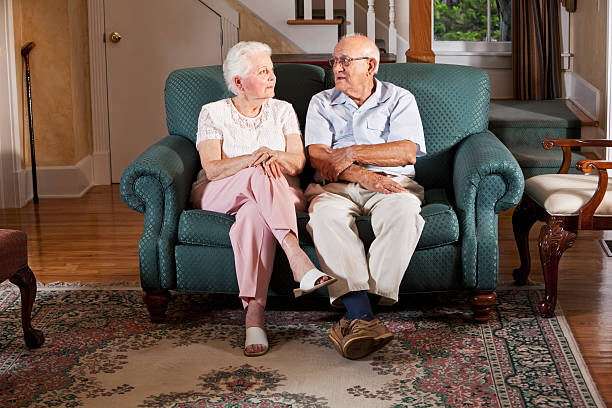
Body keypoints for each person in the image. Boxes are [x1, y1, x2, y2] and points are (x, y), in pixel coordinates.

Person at [190, 41, 336, 357]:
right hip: (222, 191)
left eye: (271, 71)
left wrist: (273, 157)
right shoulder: (212, 113)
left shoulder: (282, 110)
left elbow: (297, 164)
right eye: (262, 72)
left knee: (255, 214)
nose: (272, 78)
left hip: (278, 195)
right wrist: (252, 159)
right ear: (239, 82)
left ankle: (254, 315)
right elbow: (213, 169)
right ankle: (296, 255)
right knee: (258, 172)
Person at [304, 35, 427, 359]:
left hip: (392, 184)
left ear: (371, 65)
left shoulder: (399, 99)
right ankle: (364, 316)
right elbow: (318, 157)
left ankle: (359, 313)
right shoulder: (321, 102)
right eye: (334, 61)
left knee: (404, 213)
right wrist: (362, 173)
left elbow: (407, 151)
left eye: (345, 60)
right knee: (324, 217)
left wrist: (352, 152)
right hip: (339, 187)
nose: (337, 68)